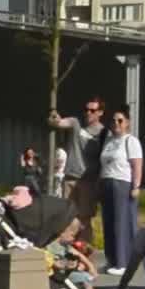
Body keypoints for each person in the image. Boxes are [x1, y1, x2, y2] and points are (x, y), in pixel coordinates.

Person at [102, 106, 145, 289]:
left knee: (122, 223)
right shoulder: (109, 141)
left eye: (120, 120)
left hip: (122, 182)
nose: (116, 124)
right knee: (109, 222)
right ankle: (111, 260)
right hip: (107, 181)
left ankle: (123, 262)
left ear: (127, 123)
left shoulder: (131, 141)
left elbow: (137, 165)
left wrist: (136, 186)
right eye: (113, 121)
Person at [49, 97, 109, 231]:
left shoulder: (104, 133)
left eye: (92, 110)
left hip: (89, 181)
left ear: (100, 112)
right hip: (70, 178)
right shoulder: (76, 123)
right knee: (67, 217)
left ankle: (84, 243)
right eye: (86, 109)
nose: (88, 113)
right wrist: (54, 116)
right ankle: (68, 243)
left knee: (84, 220)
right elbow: (58, 122)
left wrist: (99, 183)